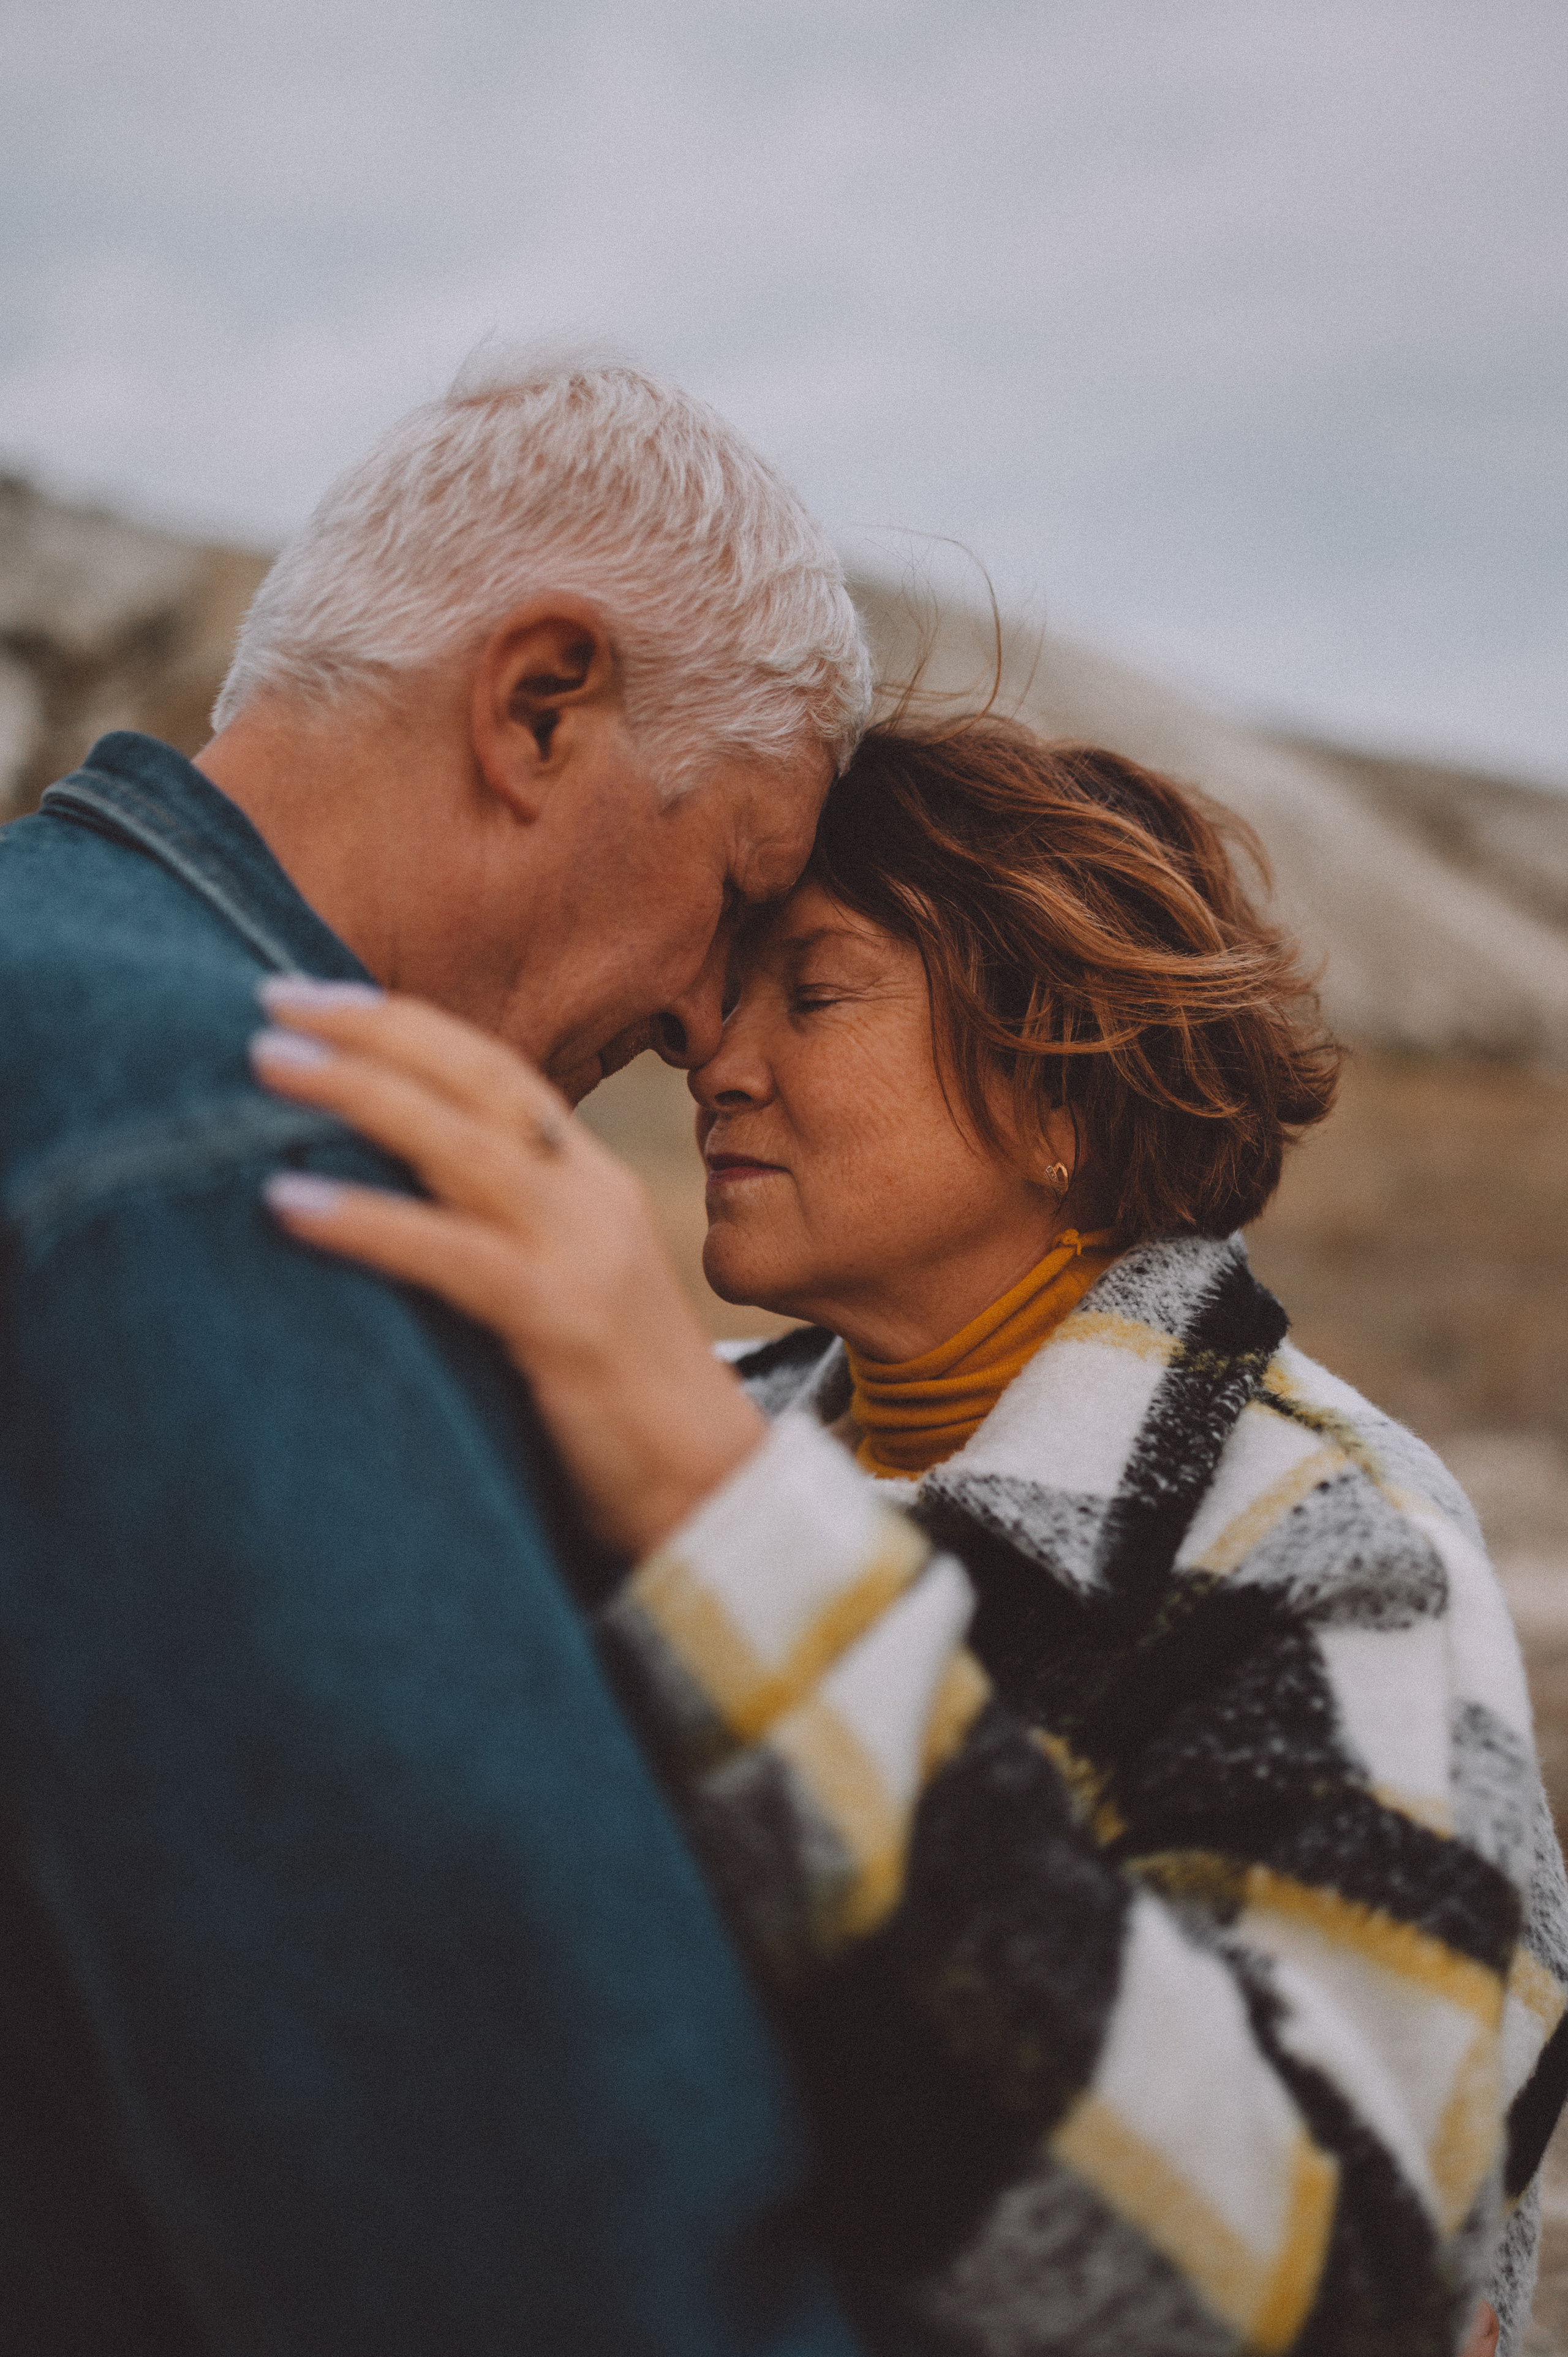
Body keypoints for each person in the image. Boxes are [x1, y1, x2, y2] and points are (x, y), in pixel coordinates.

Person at [254, 716, 1568, 2357]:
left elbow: (1315, 2298)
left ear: (1065, 1084)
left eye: (812, 991)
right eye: (730, 992)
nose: (714, 1057)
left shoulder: (1335, 1553)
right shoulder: (686, 1424)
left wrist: (727, 1538)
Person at [0, 357, 878, 2353]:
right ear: (540, 703)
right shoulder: (249, 1157)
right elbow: (543, 2232)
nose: (698, 1024)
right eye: (733, 887)